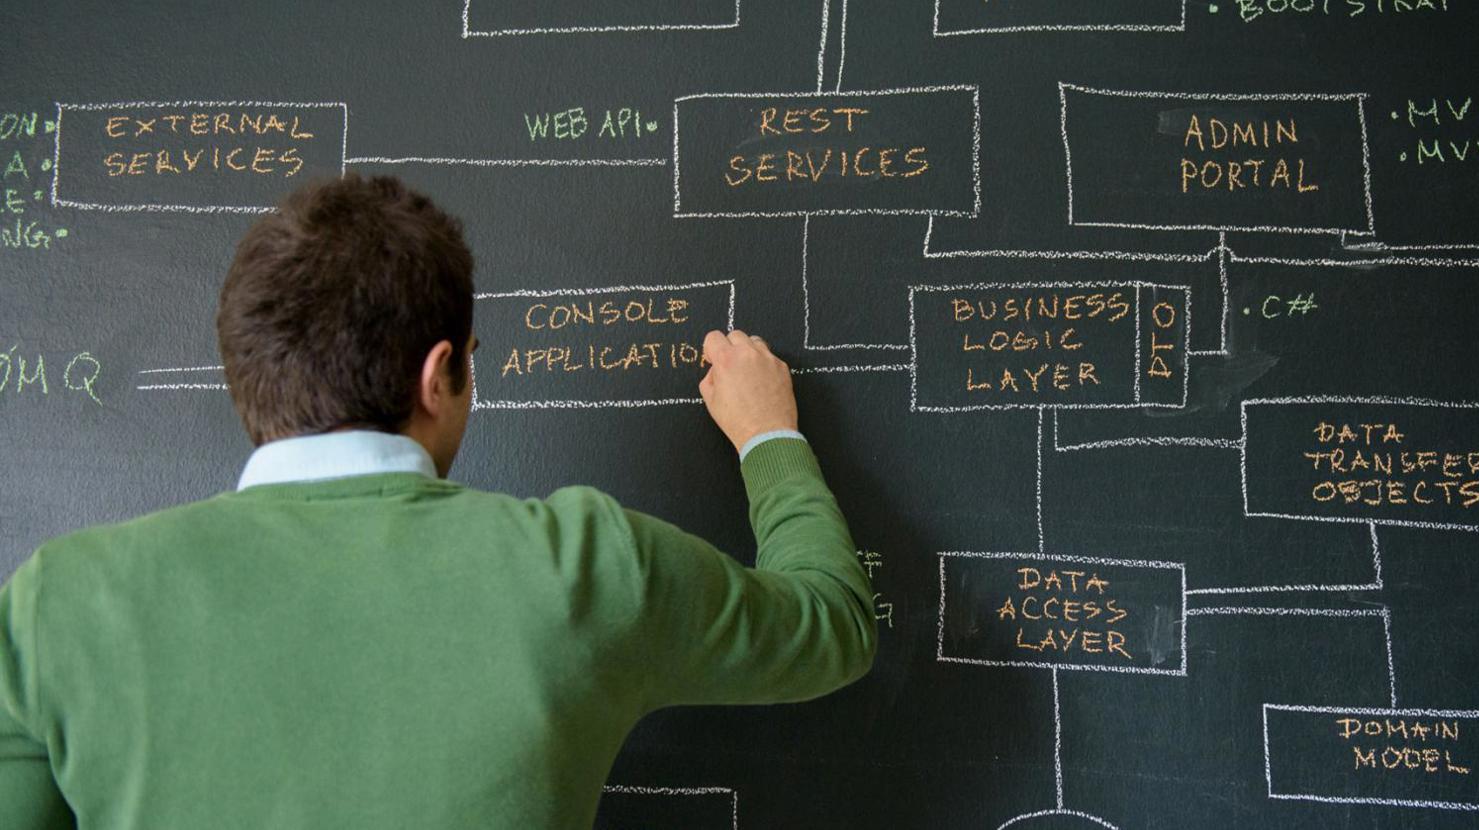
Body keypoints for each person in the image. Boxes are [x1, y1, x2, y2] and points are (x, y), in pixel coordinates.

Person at [0, 175, 877, 827]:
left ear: (245, 375)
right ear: (439, 372)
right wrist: (769, 435)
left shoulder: (56, 605)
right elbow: (834, 623)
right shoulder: (584, 567)